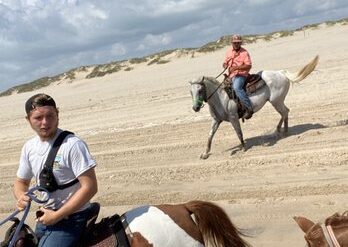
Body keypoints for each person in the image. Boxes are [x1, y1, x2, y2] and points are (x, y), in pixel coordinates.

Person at [13, 93, 98, 247]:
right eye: (38, 118)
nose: (45, 122)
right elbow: (21, 181)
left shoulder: (73, 145)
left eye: (50, 116)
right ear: (28, 120)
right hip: (44, 217)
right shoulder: (29, 147)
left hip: (73, 218)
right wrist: (20, 196)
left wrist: (57, 216)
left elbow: (90, 187)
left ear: (57, 114)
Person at [223, 34, 253, 119]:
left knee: (237, 88)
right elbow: (225, 62)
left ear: (240, 43)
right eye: (234, 43)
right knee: (223, 89)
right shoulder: (229, 52)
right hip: (231, 75)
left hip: (241, 74)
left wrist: (236, 68)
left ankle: (249, 108)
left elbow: (248, 65)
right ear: (232, 43)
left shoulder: (244, 52)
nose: (236, 44)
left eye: (238, 43)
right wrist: (225, 65)